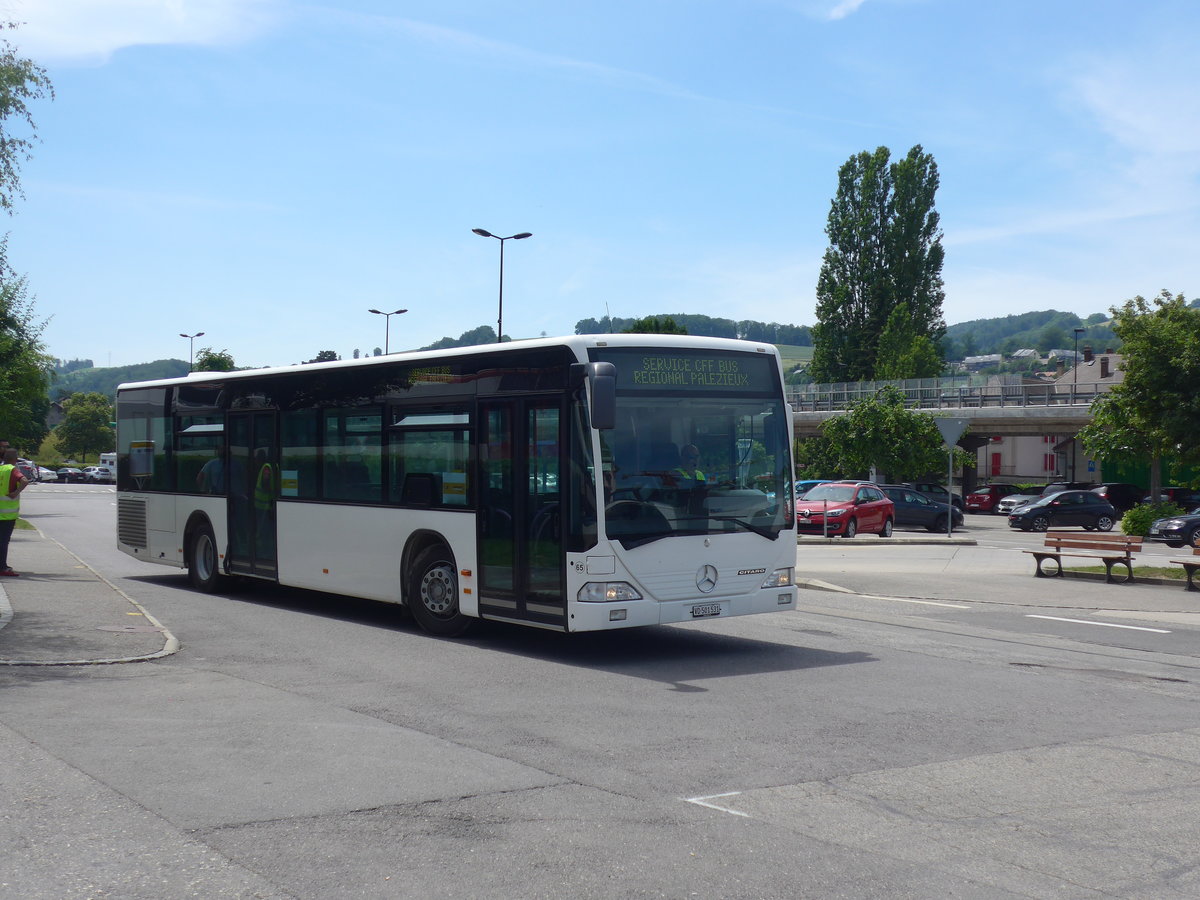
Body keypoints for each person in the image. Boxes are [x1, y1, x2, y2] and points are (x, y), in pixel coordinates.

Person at [0, 447, 30, 576]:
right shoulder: (12, 470)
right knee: (3, 541)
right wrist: (16, 492)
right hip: (7, 514)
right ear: (15, 459)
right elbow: (24, 481)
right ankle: (2, 567)